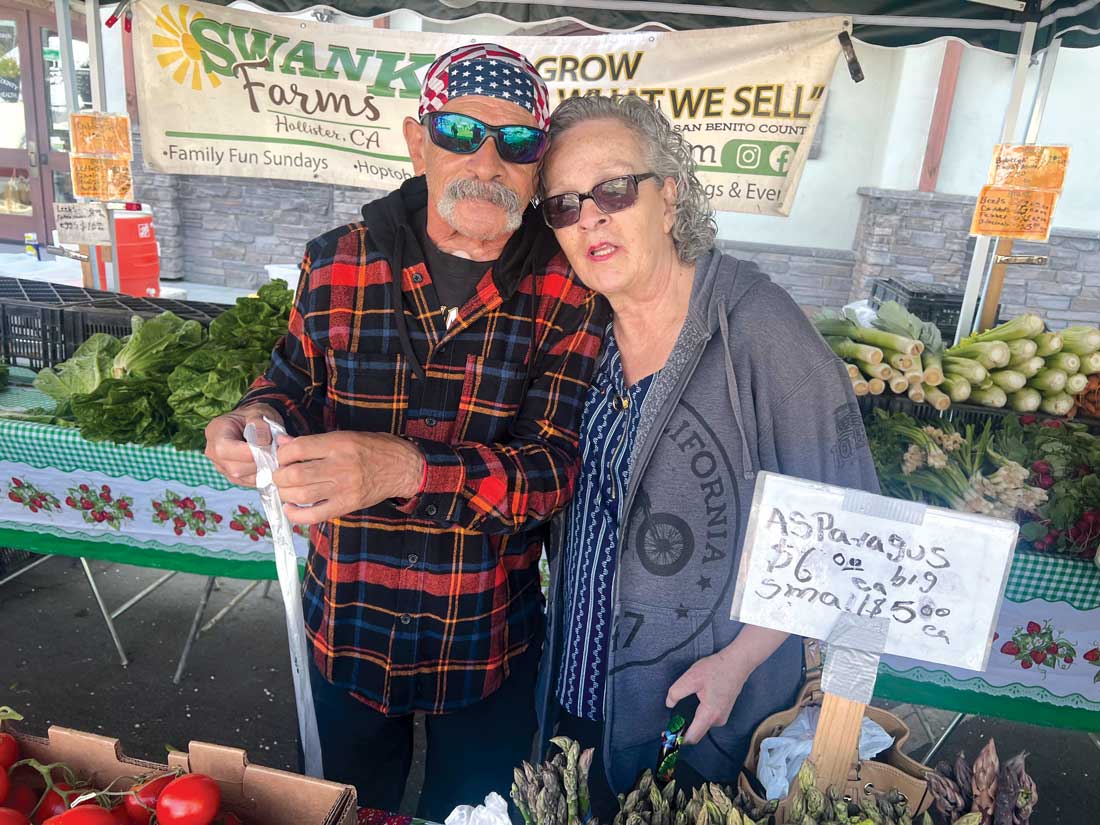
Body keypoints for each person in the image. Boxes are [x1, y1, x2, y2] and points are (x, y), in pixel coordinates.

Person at [204, 44, 606, 819]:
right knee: (336, 811)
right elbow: (290, 385)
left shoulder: (570, 290)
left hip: (486, 641)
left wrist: (408, 470)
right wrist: (254, 421)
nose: (487, 161)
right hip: (346, 625)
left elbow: (554, 469)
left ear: (539, 166)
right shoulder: (335, 262)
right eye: (459, 132)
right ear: (418, 142)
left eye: (517, 142)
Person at [533, 94, 879, 815]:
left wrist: (740, 661)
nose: (590, 217)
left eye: (613, 189)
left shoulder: (759, 326)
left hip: (707, 707)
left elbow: (847, 528)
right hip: (577, 689)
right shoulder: (578, 331)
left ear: (669, 197)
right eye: (564, 204)